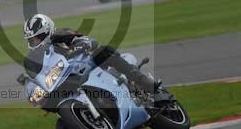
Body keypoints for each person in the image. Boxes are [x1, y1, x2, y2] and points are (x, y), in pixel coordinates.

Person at [22, 13, 171, 107]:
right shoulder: (37, 56)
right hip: (66, 82)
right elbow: (38, 74)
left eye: (38, 38)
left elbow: (85, 39)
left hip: (85, 65)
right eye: (32, 40)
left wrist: (82, 44)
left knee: (105, 51)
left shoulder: (60, 35)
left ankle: (146, 83)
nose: (35, 42)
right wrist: (31, 84)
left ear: (49, 30)